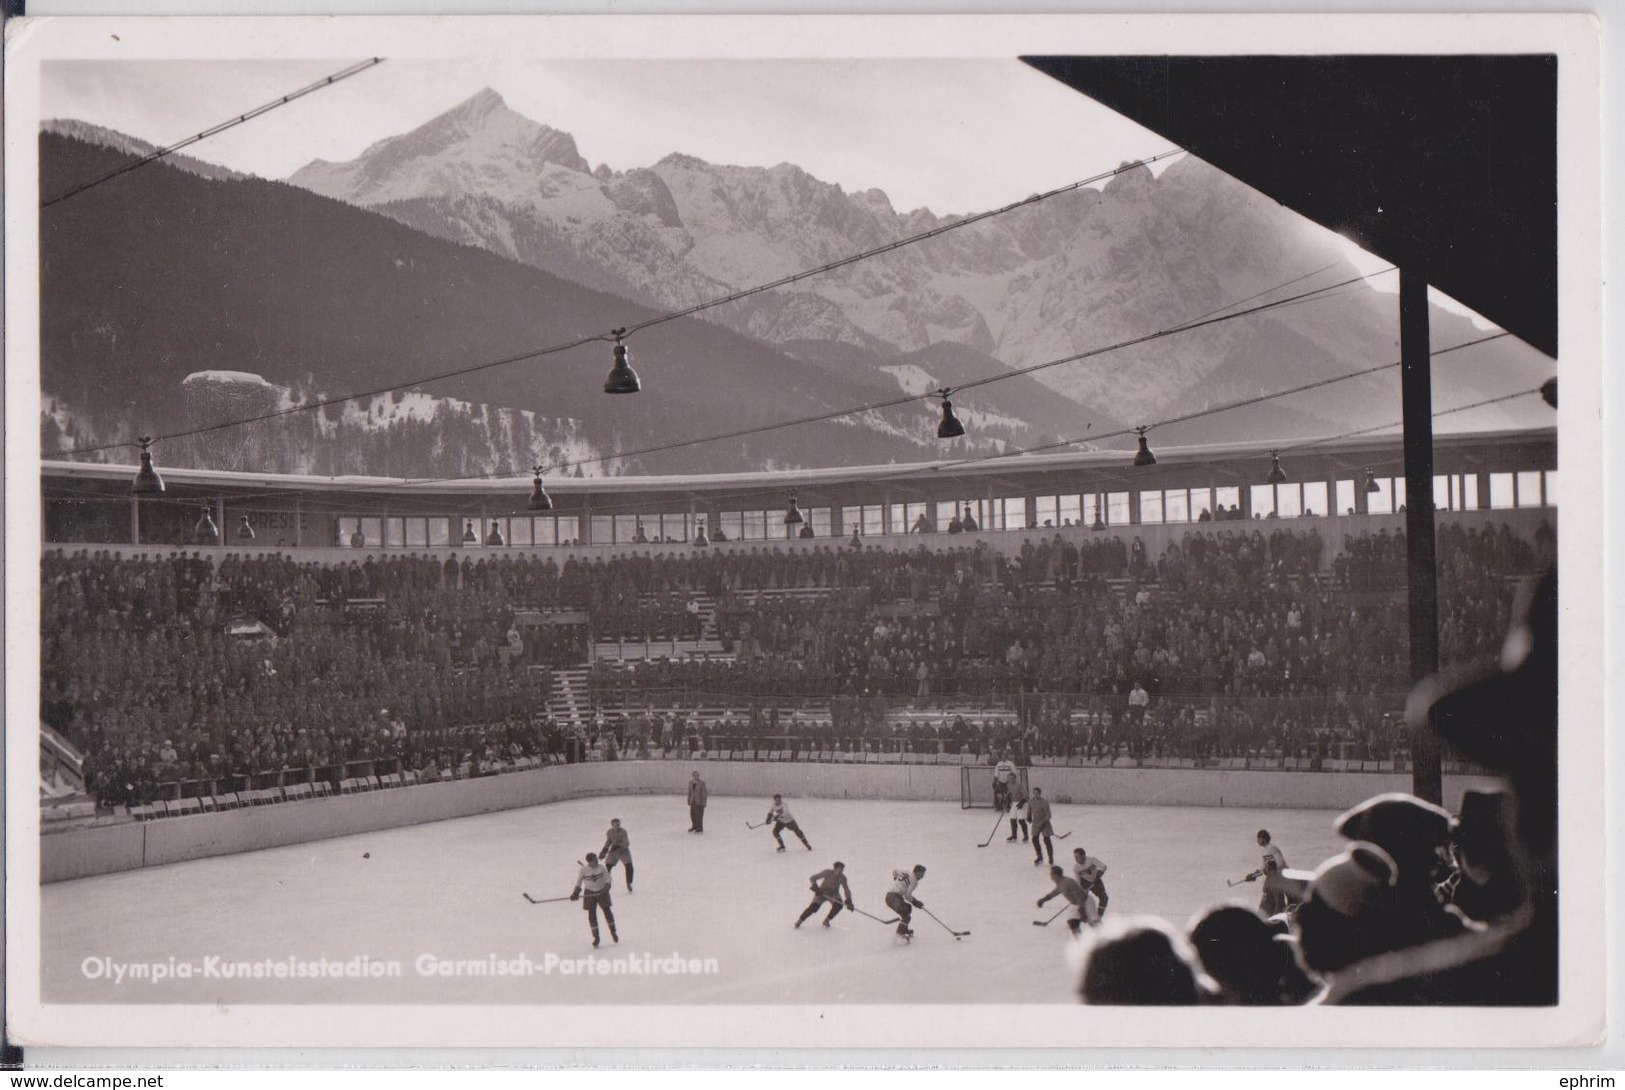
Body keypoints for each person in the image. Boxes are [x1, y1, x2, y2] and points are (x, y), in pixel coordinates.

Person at [570, 852, 618, 947]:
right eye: (594, 860)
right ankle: (596, 937)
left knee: (607, 912)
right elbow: (579, 882)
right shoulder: (583, 870)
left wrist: (606, 888)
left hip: (602, 892)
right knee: (592, 915)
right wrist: (575, 893)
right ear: (589, 862)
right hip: (590, 893)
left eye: (596, 859)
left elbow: (608, 879)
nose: (597, 861)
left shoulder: (601, 868)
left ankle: (613, 931)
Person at [795, 861, 855, 929]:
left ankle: (826, 920)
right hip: (822, 893)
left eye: (842, 870)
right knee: (813, 908)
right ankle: (799, 921)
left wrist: (849, 900)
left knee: (839, 905)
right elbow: (813, 878)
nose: (841, 871)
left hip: (833, 893)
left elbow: (846, 889)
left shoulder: (842, 878)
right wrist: (815, 887)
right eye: (840, 870)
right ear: (835, 869)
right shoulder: (827, 872)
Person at [1037, 864, 1094, 933]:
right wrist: (1044, 899)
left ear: (1056, 875)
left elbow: (1079, 896)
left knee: (1089, 921)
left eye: (1051, 875)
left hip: (1085, 902)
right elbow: (1056, 891)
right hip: (1076, 903)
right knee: (1073, 923)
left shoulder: (1067, 882)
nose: (1051, 877)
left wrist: (1081, 909)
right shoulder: (1061, 882)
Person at [1247, 829, 1289, 916]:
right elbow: (1264, 868)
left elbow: (1280, 863)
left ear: (1264, 839)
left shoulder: (1273, 848)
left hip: (1279, 878)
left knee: (1278, 900)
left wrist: (1275, 875)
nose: (1257, 841)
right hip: (1273, 878)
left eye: (1258, 839)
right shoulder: (1266, 851)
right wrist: (1253, 875)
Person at [885, 864, 928, 938]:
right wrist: (915, 902)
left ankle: (904, 928)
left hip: (890, 896)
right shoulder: (914, 881)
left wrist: (896, 879)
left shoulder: (906, 872)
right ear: (917, 872)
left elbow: (895, 871)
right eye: (921, 874)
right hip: (894, 897)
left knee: (908, 908)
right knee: (906, 916)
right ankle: (899, 933)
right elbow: (907, 896)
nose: (922, 877)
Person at [1072, 847, 1110, 918]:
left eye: (1077, 856)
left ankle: (1098, 917)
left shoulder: (1091, 860)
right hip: (1085, 883)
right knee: (1081, 901)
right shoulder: (1076, 868)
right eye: (1075, 857)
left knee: (1104, 898)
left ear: (1083, 856)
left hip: (1096, 882)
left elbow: (1103, 866)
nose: (1076, 859)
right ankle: (1075, 919)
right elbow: (1078, 881)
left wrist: (1099, 874)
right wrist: (1081, 890)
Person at [599, 818, 634, 892]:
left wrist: (618, 846)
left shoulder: (623, 832)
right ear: (612, 825)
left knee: (629, 866)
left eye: (618, 825)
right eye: (615, 825)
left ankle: (629, 883)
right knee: (608, 866)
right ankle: (606, 883)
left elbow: (626, 843)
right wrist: (604, 851)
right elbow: (608, 842)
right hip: (614, 852)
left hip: (624, 851)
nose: (617, 827)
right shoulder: (609, 832)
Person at [1028, 786, 1056, 866]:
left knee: (1047, 840)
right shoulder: (1030, 801)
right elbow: (1029, 810)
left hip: (1045, 823)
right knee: (1034, 839)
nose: (1035, 795)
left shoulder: (1044, 802)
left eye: (1037, 793)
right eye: (1034, 793)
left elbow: (1048, 814)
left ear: (1040, 794)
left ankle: (1050, 857)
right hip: (1036, 823)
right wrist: (1028, 816)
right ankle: (1039, 856)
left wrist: (1044, 822)